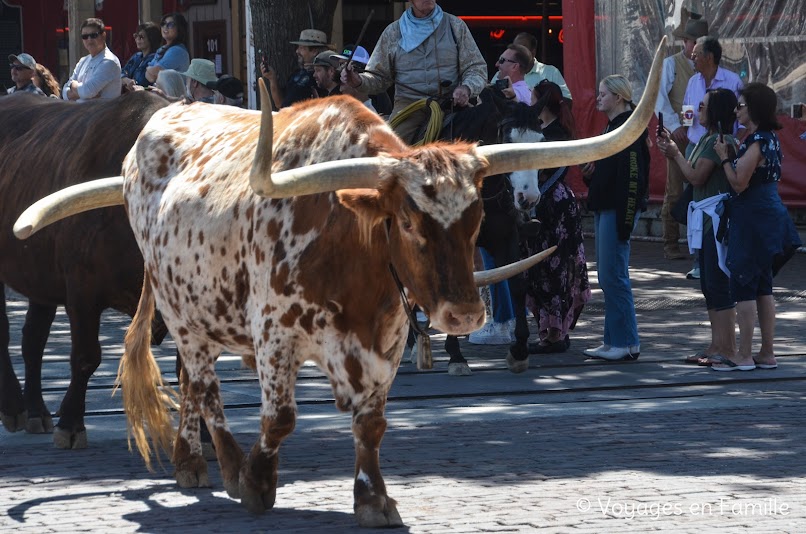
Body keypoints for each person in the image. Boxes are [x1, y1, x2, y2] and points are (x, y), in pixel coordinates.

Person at [711, 83, 801, 371]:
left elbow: (739, 183)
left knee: (744, 287)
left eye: (740, 106)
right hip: (770, 218)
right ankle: (767, 352)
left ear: (754, 108)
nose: (736, 110)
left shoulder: (756, 141)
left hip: (752, 220)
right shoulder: (771, 138)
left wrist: (725, 157)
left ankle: (745, 354)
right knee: (764, 287)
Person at [657, 88, 739, 365]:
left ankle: (727, 347)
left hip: (715, 223)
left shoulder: (721, 140)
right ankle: (716, 345)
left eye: (703, 107)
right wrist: (672, 152)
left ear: (714, 111)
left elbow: (696, 177)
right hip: (703, 222)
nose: (698, 110)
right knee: (709, 285)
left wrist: (675, 153)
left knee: (718, 284)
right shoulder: (705, 138)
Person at [341, 0, 487, 144]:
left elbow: (476, 67)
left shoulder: (455, 26)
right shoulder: (392, 32)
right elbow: (378, 78)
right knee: (389, 153)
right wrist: (358, 81)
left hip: (450, 105)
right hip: (408, 107)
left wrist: (466, 87)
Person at [580, 75, 649, 361]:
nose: (598, 98)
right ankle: (614, 340)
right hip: (606, 206)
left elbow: (633, 176)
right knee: (609, 276)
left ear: (619, 97)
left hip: (616, 211)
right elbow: (612, 174)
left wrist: (625, 218)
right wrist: (592, 178)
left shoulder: (629, 129)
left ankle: (625, 341)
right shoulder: (613, 126)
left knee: (613, 276)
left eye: (603, 93)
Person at [524, 80, 591, 354]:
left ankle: (556, 332)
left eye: (533, 97)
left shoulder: (555, 133)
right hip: (544, 203)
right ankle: (548, 330)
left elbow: (548, 171)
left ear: (541, 103)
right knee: (541, 267)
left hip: (553, 205)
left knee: (556, 267)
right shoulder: (541, 130)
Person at [681, 35, 744, 279]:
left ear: (709, 57)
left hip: (721, 146)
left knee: (719, 203)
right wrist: (685, 125)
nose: (691, 58)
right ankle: (700, 260)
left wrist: (733, 143)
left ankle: (723, 255)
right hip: (696, 144)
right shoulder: (693, 82)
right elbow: (688, 110)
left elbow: (741, 116)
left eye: (695, 54)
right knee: (695, 202)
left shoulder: (732, 80)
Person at [655, 10, 709, 260]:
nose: (695, 46)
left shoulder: (707, 68)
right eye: (692, 41)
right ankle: (670, 242)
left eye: (699, 42)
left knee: (703, 188)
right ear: (685, 42)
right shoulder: (671, 64)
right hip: (678, 134)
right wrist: (675, 125)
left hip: (702, 136)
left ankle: (700, 242)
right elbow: (659, 98)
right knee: (675, 189)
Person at [261, 29, 331, 109]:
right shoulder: (297, 74)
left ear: (314, 51)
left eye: (302, 48)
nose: (297, 51)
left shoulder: (324, 76)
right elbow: (279, 104)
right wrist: (272, 78)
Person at [492, 32, 572, 101]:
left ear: (533, 52)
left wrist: (545, 110)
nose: (517, 52)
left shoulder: (551, 72)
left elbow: (566, 101)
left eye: (522, 49)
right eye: (515, 48)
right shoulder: (500, 74)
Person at [62, 18, 121, 101]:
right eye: (85, 36)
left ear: (103, 35)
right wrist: (80, 91)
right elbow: (64, 92)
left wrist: (73, 86)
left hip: (103, 113)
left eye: (93, 35)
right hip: (80, 111)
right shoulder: (83, 61)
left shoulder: (109, 62)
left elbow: (87, 91)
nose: (89, 40)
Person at [333, 44, 392, 115]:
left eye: (344, 65)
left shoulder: (379, 94)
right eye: (340, 65)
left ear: (358, 70)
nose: (340, 70)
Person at [145, 13, 190, 84]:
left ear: (180, 28)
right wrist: (150, 71)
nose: (165, 27)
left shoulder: (177, 51)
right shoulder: (161, 49)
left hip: (173, 94)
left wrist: (148, 69)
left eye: (170, 25)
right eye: (163, 24)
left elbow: (154, 75)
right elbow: (148, 77)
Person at [121, 22, 161, 91]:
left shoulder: (156, 59)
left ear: (151, 39)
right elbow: (122, 72)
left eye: (141, 37)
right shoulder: (136, 56)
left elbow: (153, 85)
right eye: (136, 36)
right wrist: (127, 80)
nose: (137, 39)